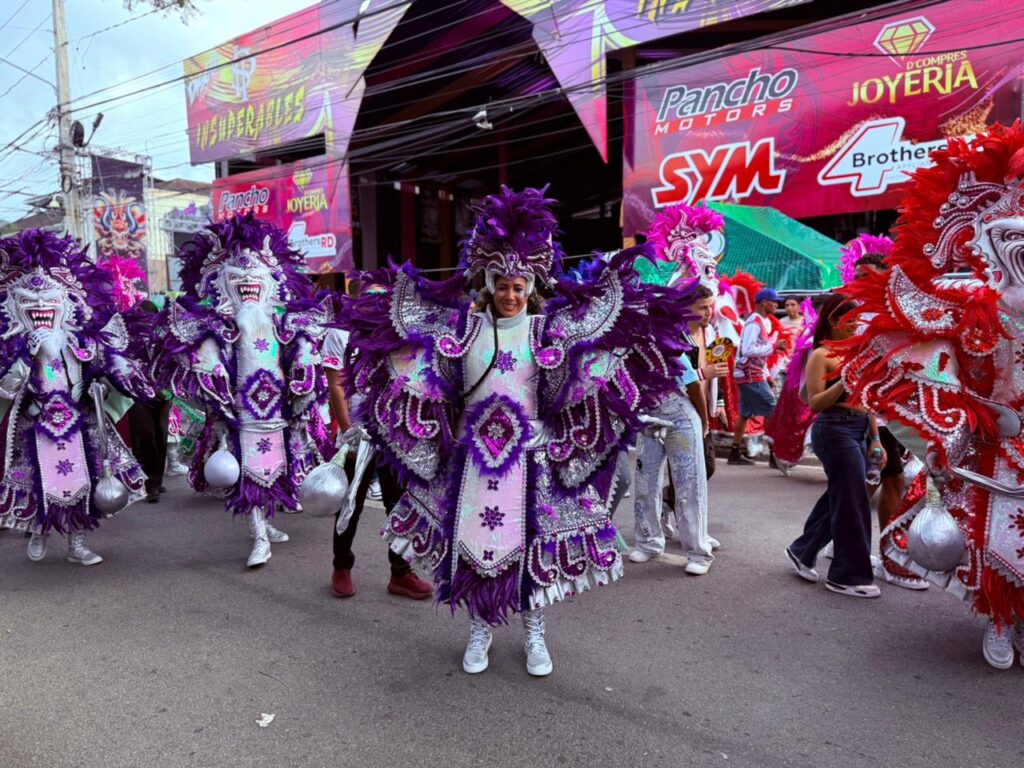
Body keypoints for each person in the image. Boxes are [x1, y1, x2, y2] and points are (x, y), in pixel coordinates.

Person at [340, 187, 691, 676]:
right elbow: (428, 380)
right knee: (477, 551)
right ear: (488, 282)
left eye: (518, 287)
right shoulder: (462, 330)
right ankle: (481, 630)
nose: (509, 295)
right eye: (502, 285)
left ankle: (534, 633)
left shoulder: (547, 333)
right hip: (473, 465)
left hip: (532, 462)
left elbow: (588, 376)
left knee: (530, 552)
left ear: (531, 289)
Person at [841, 122, 1024, 668]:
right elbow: (932, 357)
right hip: (995, 438)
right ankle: (999, 619)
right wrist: (955, 424)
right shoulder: (972, 301)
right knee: (997, 538)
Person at [154, 213, 331, 568]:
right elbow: (200, 371)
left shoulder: (287, 323)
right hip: (239, 417)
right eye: (237, 275)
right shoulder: (214, 328)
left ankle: (266, 522)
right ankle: (259, 536)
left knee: (279, 471)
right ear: (220, 284)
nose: (248, 278)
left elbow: (308, 363)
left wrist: (303, 367)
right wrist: (213, 374)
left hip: (279, 415)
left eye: (256, 275)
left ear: (272, 280)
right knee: (246, 476)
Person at [0, 230, 152, 564]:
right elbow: (7, 389)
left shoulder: (80, 343)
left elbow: (105, 368)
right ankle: (39, 531)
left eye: (49, 300)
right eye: (31, 301)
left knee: (81, 484)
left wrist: (115, 379)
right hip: (35, 424)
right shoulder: (14, 347)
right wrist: (27, 357)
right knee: (39, 485)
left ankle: (76, 545)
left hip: (77, 423)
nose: (41, 306)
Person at [321, 317, 432, 600]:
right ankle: (341, 567)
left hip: (392, 433)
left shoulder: (397, 328)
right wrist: (348, 431)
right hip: (357, 432)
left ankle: (400, 573)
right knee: (350, 502)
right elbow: (335, 384)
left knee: (400, 504)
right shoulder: (338, 332)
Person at [842, 234, 927, 591]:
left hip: (894, 409)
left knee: (878, 480)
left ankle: (841, 540)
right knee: (880, 479)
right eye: (856, 277)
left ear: (884, 275)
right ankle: (886, 556)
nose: (857, 284)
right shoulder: (852, 315)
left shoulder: (898, 310)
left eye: (866, 277)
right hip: (866, 411)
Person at [785, 294, 882, 598]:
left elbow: (867, 402)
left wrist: (876, 438)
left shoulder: (856, 352)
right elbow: (814, 403)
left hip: (860, 429)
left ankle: (803, 550)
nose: (855, 326)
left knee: (843, 496)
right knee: (853, 502)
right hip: (835, 430)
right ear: (832, 321)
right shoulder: (821, 355)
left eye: (857, 321)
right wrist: (844, 381)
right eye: (849, 321)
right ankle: (846, 576)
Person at [630, 285, 727, 574]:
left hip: (682, 418)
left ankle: (698, 552)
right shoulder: (630, 342)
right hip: (649, 420)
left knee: (689, 484)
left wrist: (704, 422)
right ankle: (648, 542)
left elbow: (693, 385)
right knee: (644, 483)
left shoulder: (667, 338)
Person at [729, 287, 786, 465]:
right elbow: (747, 349)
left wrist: (766, 374)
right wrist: (773, 347)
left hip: (749, 373)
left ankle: (734, 452)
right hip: (749, 374)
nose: (777, 304)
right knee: (771, 409)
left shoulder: (759, 322)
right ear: (763, 302)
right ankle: (773, 454)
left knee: (745, 414)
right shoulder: (755, 323)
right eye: (773, 301)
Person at [126, 299, 171, 504]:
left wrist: (167, 388)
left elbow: (173, 362)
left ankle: (156, 478)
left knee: (160, 435)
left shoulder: (163, 336)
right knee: (145, 436)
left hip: (161, 393)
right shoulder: (127, 337)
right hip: (138, 393)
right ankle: (149, 482)